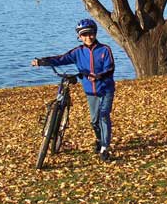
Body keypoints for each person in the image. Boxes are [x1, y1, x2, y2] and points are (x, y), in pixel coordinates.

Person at [31, 18, 115, 161]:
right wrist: (42, 61)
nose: (88, 37)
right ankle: (100, 140)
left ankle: (105, 148)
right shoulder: (78, 52)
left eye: (91, 34)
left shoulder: (104, 49)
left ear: (95, 34)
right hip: (90, 92)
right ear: (79, 37)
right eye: (84, 35)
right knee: (94, 121)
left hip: (105, 89)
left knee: (103, 115)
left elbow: (110, 68)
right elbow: (61, 59)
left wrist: (98, 76)